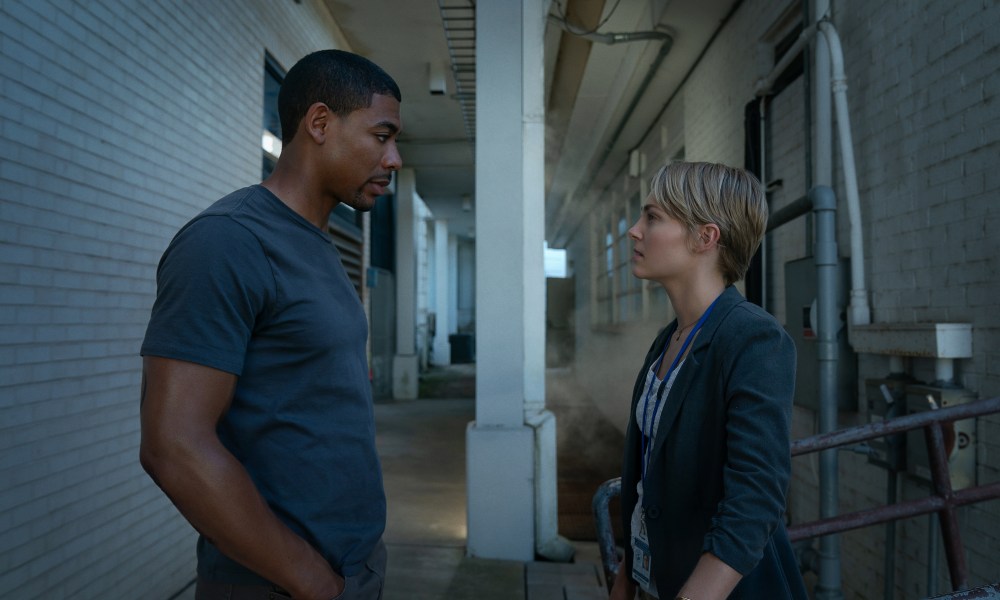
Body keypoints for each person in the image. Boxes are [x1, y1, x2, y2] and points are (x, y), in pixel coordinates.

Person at [139, 49, 402, 600]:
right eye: (382, 136)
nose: (393, 158)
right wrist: (311, 581)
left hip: (353, 566)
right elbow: (174, 446)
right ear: (321, 123)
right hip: (277, 584)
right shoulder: (227, 242)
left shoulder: (319, 247)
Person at [610, 162, 808, 600]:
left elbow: (756, 497)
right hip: (658, 576)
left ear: (706, 237)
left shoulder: (754, 338)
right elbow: (649, 473)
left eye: (653, 217)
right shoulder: (671, 337)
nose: (635, 231)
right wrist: (629, 573)